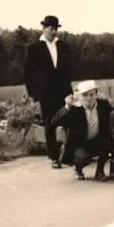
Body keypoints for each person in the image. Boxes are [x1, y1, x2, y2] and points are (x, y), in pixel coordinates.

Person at [23, 15, 73, 169]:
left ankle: (68, 155)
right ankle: (54, 157)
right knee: (49, 124)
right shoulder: (33, 48)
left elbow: (68, 71)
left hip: (63, 92)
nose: (54, 32)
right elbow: (27, 73)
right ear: (44, 28)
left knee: (69, 121)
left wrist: (70, 91)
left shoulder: (64, 46)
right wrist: (33, 93)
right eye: (51, 29)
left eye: (56, 29)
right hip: (46, 93)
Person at [51, 80, 114, 181]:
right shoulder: (74, 109)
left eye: (91, 94)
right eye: (85, 95)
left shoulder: (103, 105)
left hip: (96, 140)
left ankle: (100, 171)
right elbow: (55, 121)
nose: (89, 98)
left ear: (96, 94)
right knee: (83, 157)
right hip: (78, 144)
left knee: (107, 142)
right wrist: (67, 107)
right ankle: (78, 169)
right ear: (79, 96)